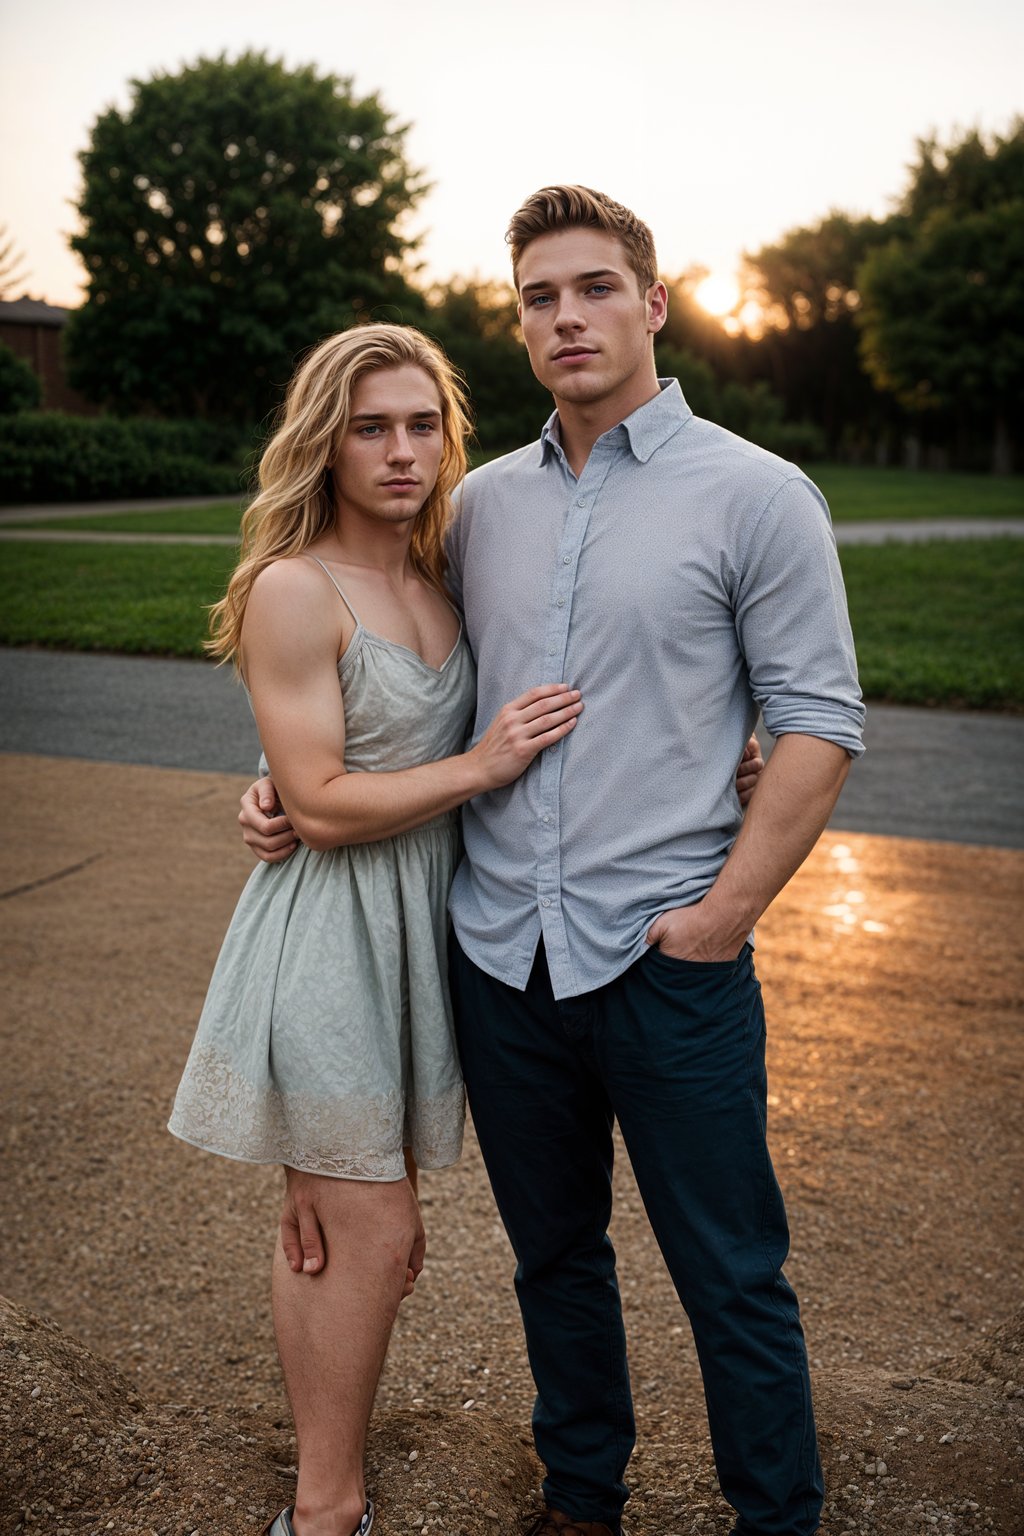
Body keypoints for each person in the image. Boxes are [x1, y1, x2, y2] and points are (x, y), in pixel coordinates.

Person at [240, 185, 855, 1536]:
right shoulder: (480, 511)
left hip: (666, 957)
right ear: (518, 323)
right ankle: (582, 1497)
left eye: (592, 288)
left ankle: (778, 1519)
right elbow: (406, 683)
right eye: (538, 296)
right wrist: (288, 792)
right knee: (554, 1258)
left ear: (655, 304)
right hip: (502, 957)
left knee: (732, 1273)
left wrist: (721, 915)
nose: (566, 316)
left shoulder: (758, 496)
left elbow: (817, 724)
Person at [169, 323, 588, 1536]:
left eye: (421, 425)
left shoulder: (445, 573)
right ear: (325, 443)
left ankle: (326, 1488)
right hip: (328, 940)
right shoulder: (294, 587)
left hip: (425, 941)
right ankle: (322, 1512)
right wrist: (481, 763)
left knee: (363, 1234)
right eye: (370, 427)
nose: (401, 451)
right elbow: (319, 806)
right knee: (378, 1229)